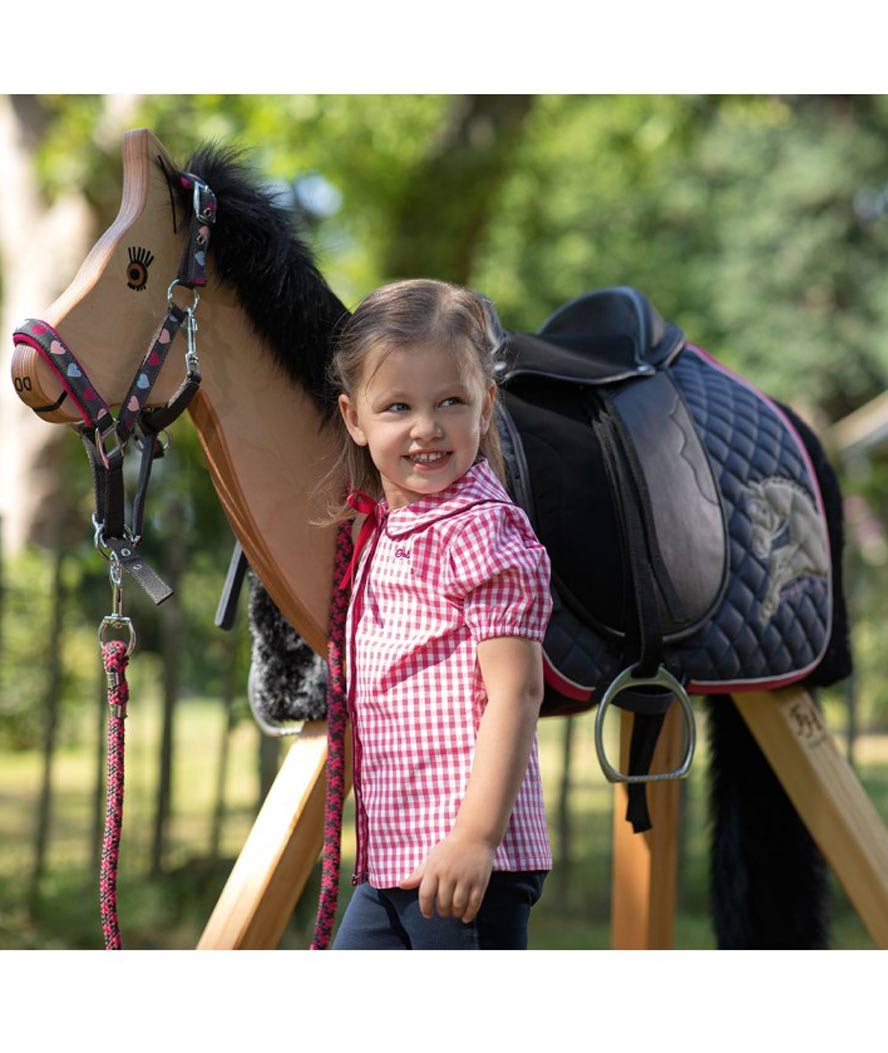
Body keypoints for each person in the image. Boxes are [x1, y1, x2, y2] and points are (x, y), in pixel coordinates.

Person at [326, 278, 553, 950]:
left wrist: (474, 837)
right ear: (353, 418)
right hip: (393, 862)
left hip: (465, 865)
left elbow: (517, 690)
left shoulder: (483, 531)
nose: (426, 427)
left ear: (486, 406)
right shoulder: (385, 532)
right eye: (397, 406)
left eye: (450, 401)